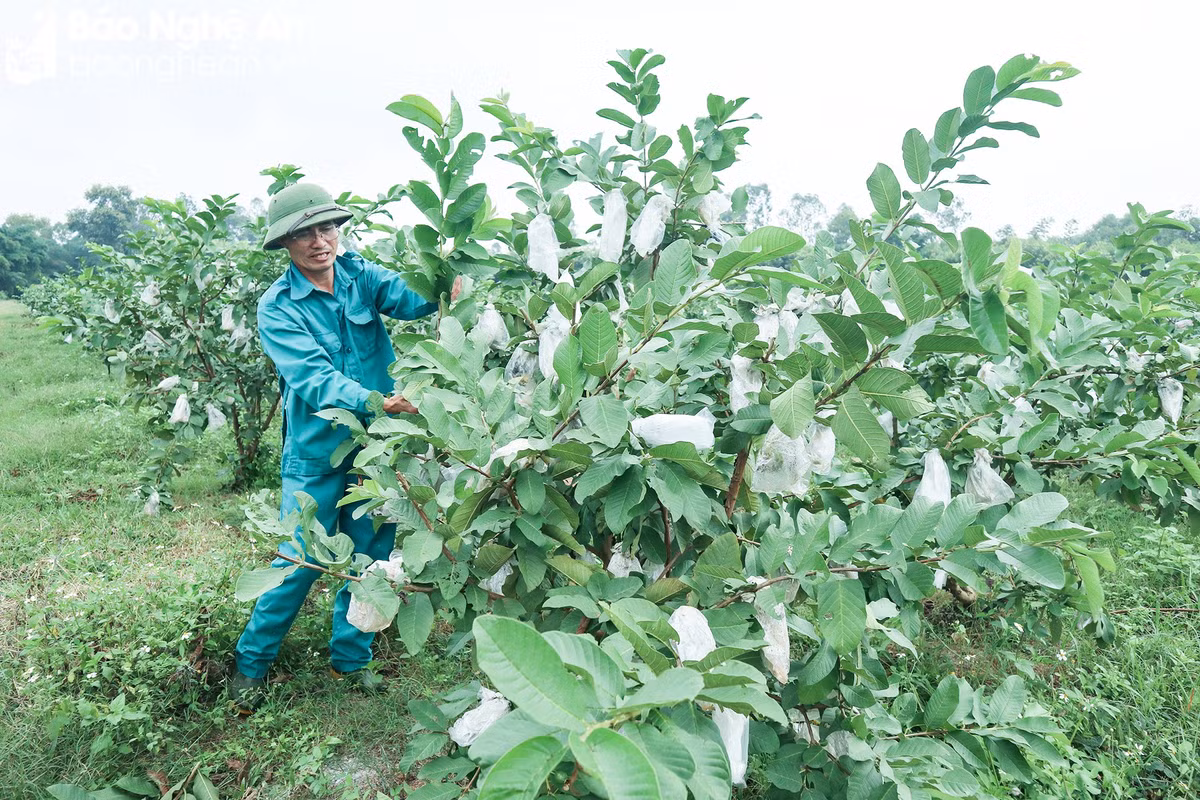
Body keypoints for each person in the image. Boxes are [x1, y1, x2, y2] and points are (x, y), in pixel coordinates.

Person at [229, 182, 452, 713]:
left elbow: (414, 300)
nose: (318, 241)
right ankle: (250, 664)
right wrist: (381, 401)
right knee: (300, 560)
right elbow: (314, 379)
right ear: (285, 243)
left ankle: (350, 660)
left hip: (376, 449)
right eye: (302, 233)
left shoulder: (361, 275)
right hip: (316, 453)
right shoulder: (277, 307)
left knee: (371, 555)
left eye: (326, 227)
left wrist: (448, 272)